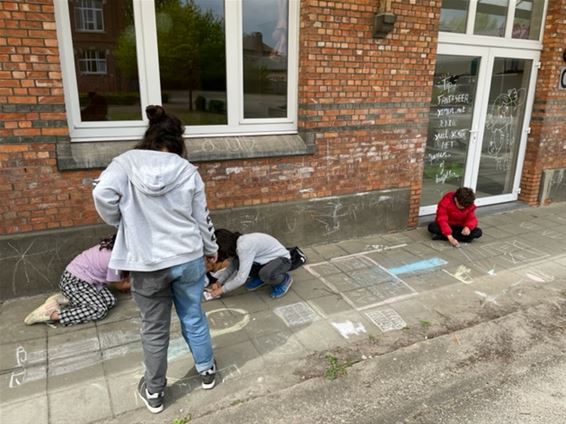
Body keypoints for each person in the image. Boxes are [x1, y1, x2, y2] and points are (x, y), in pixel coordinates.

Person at [92, 105, 218, 414]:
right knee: (193, 315)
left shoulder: (124, 163)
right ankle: (207, 371)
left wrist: (121, 221)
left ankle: (155, 391)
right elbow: (201, 218)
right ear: (178, 141)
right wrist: (211, 247)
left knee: (154, 328)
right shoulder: (187, 170)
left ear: (150, 136)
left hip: (147, 263)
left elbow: (102, 195)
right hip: (187, 256)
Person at [24, 235, 129, 326]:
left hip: (88, 281)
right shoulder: (115, 259)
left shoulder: (116, 245)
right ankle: (50, 315)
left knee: (110, 301)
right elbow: (120, 285)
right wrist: (143, 284)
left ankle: (67, 299)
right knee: (99, 310)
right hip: (74, 282)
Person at [206, 229, 294, 299]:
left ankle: (283, 280)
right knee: (237, 262)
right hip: (264, 261)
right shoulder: (236, 244)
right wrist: (219, 282)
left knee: (265, 274)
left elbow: (241, 279)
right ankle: (261, 278)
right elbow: (232, 266)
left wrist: (220, 290)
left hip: (283, 260)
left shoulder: (244, 247)